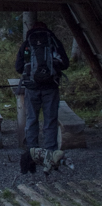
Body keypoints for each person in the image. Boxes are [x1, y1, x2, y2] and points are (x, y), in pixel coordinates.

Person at [15, 21, 69, 152]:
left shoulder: (27, 43)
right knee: (50, 120)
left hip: (32, 88)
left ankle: (32, 151)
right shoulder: (53, 41)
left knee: (31, 119)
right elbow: (65, 64)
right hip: (51, 87)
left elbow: (18, 67)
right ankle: (51, 152)